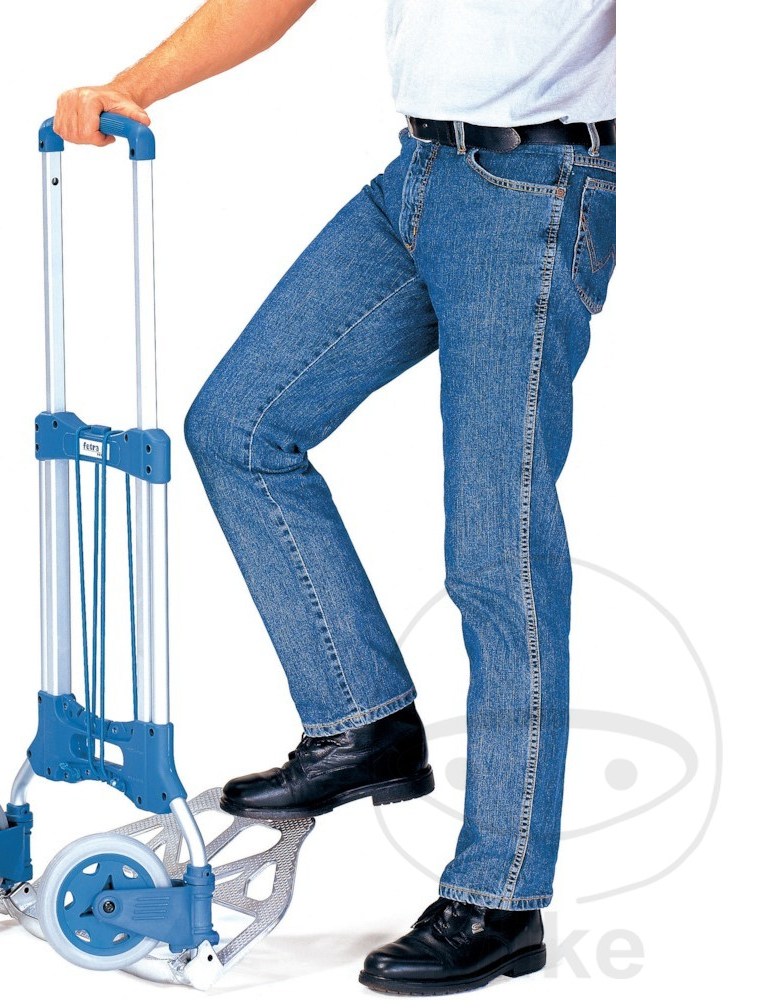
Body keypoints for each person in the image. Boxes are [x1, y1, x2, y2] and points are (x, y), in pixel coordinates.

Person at [54, 0, 616, 993]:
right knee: (239, 427)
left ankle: (500, 899)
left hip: (537, 186)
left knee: (498, 555)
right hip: (419, 177)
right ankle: (363, 723)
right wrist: (133, 87)